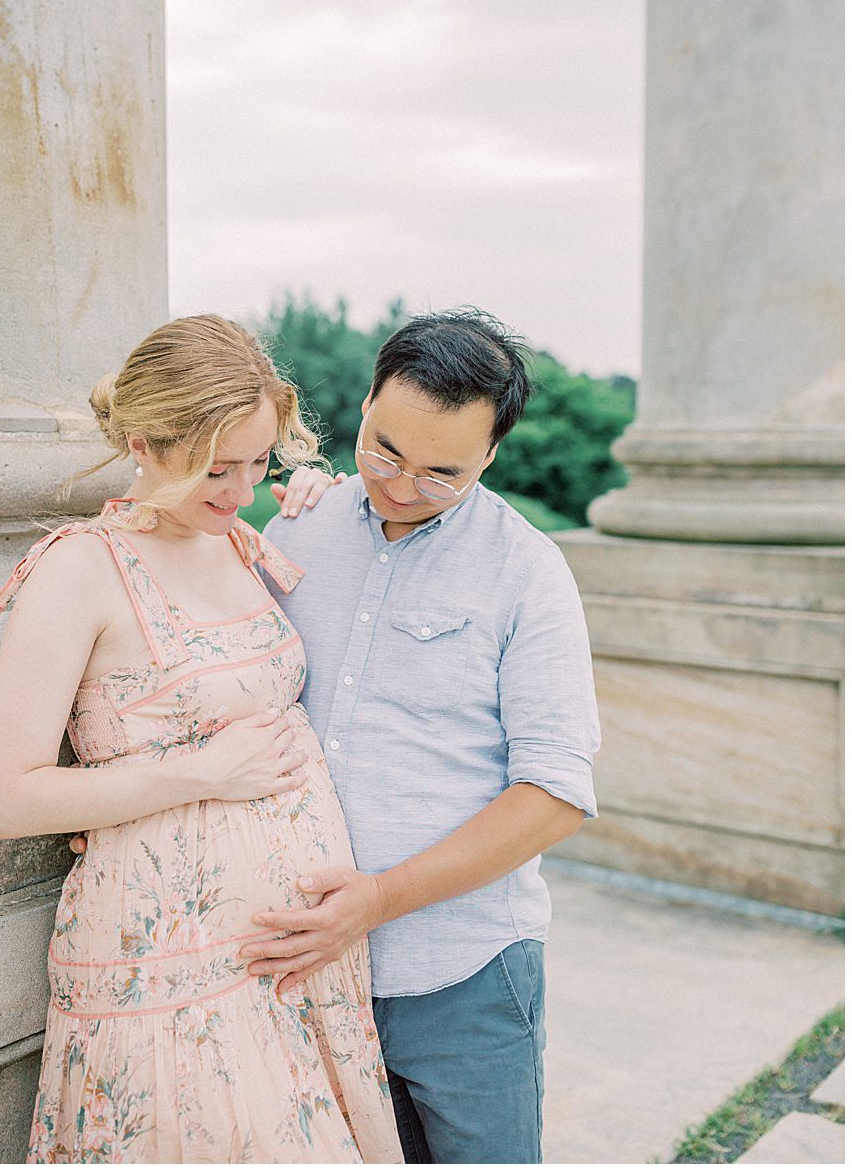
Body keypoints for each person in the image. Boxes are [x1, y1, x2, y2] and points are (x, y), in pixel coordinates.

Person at [0, 315, 403, 1165]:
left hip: (294, 960)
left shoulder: (238, 537)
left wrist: (317, 495)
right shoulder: (80, 568)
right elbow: (8, 796)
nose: (243, 489)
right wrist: (200, 772)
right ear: (144, 442)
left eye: (260, 461)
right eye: (219, 467)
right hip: (168, 968)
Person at [241, 308, 602, 1164]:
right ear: (364, 402)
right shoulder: (297, 524)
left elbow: (554, 795)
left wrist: (379, 897)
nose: (401, 485)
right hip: (305, 966)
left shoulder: (529, 571)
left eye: (441, 473)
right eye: (383, 450)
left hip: (463, 974)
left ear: (490, 455)